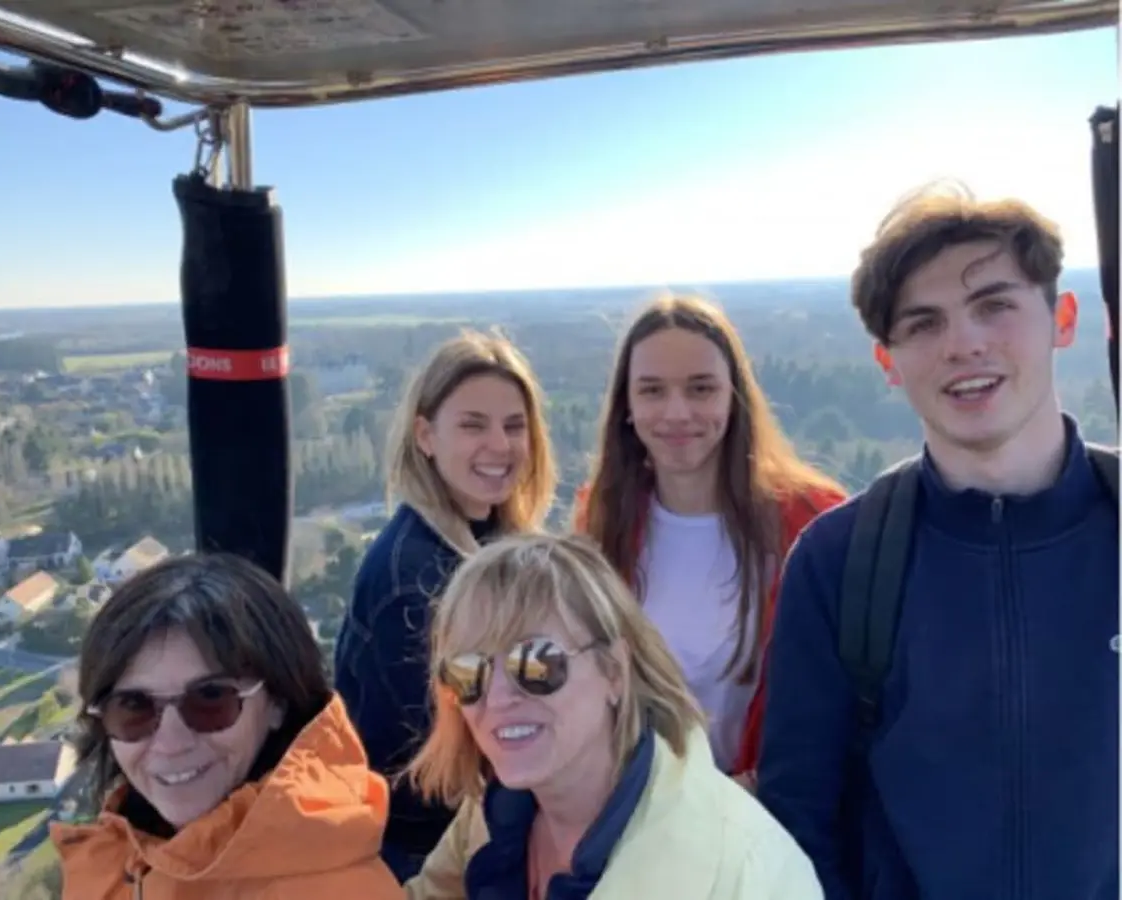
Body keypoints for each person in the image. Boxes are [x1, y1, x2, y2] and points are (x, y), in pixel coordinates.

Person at [756, 182, 1120, 899]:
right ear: (888, 363)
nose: (963, 344)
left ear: (1063, 318)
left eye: (994, 305)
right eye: (923, 325)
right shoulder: (840, 563)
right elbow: (801, 825)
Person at [401, 532, 823, 899]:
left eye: (534, 663)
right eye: (468, 672)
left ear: (614, 672)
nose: (496, 698)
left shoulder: (745, 872)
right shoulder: (492, 818)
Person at [573, 293, 846, 780]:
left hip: (775, 816)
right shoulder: (598, 523)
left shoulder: (815, 521)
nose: (677, 413)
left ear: (733, 397)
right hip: (639, 814)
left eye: (701, 389)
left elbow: (845, 697)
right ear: (626, 407)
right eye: (653, 391)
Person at [334, 328, 558, 881]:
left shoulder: (490, 537)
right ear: (426, 436)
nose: (500, 446)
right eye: (472, 425)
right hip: (423, 855)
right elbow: (452, 760)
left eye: (513, 425)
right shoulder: (413, 582)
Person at [49, 552, 404, 899]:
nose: (171, 743)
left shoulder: (343, 890)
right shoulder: (118, 856)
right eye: (133, 706)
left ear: (278, 702)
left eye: (210, 699)